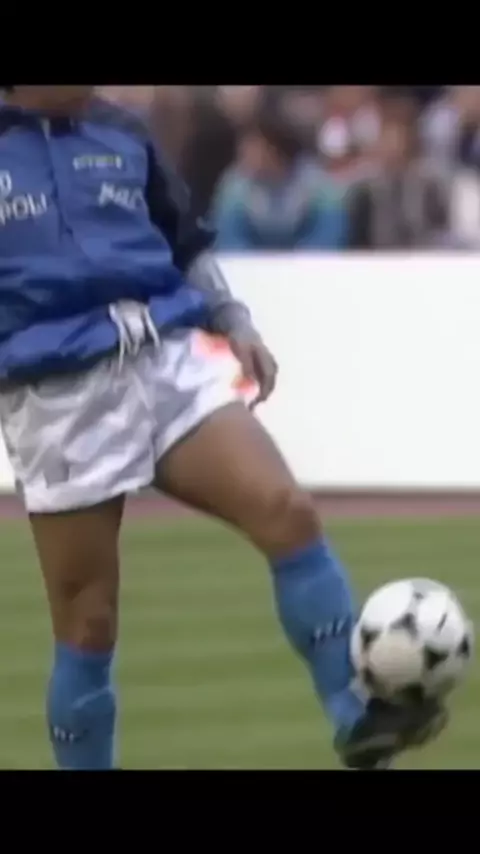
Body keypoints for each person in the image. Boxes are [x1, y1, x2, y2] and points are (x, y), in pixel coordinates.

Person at [0, 86, 446, 770]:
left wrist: (234, 320)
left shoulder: (124, 131)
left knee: (284, 509)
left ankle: (357, 715)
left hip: (165, 359)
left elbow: (184, 241)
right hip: (58, 395)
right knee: (87, 625)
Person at [212, 111, 347, 251]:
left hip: (307, 261)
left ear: (276, 149)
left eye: (255, 148)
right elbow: (228, 237)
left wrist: (296, 259)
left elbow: (330, 234)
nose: (246, 154)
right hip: (250, 261)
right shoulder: (235, 185)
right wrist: (255, 260)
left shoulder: (318, 183)